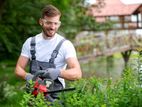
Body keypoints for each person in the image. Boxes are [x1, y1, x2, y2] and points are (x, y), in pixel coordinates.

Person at [15, 4, 82, 101]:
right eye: (49, 23)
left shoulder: (65, 45)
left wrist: (58, 72)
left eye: (56, 23)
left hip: (55, 98)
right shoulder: (30, 43)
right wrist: (28, 76)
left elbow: (77, 73)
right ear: (41, 22)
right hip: (33, 95)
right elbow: (18, 69)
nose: (52, 27)